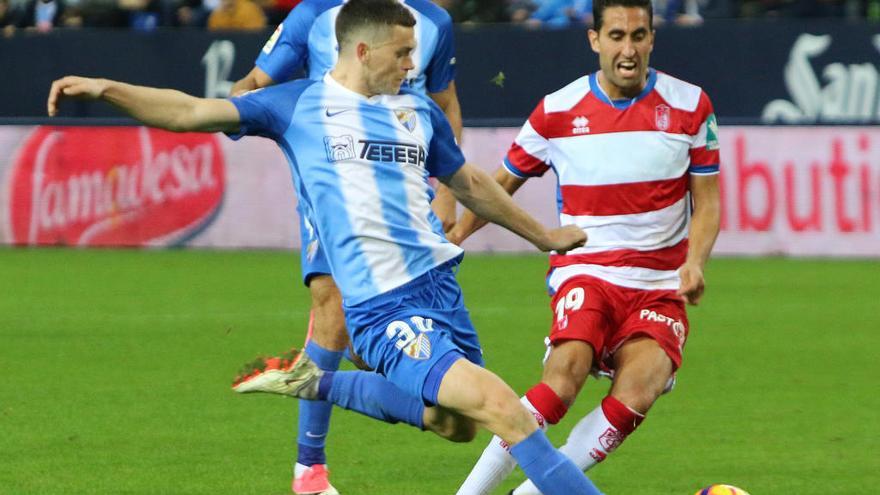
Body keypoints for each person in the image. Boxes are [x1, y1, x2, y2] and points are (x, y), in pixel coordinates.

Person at [47, 2, 603, 494]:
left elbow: (471, 186)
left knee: (454, 425)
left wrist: (544, 237)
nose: (413, 66)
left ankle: (317, 379)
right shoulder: (297, 105)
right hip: (383, 307)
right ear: (362, 50)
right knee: (510, 413)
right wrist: (107, 89)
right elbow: (191, 111)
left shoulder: (419, 113)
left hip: (443, 290)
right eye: (403, 53)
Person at [448, 0, 721, 493]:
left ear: (653, 39)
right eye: (616, 36)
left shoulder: (690, 106)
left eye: (639, 36)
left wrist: (695, 263)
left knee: (641, 389)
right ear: (595, 40)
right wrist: (456, 237)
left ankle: (531, 492)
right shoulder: (557, 111)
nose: (628, 49)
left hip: (659, 285)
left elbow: (709, 202)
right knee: (563, 377)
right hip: (587, 271)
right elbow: (498, 186)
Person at [227, 1, 462, 492]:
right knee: (331, 305)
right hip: (335, 180)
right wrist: (248, 115)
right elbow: (252, 86)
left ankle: (368, 366)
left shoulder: (433, 21)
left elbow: (445, 104)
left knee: (393, 356)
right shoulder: (314, 14)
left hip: (406, 191)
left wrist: (446, 190)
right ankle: (309, 469)